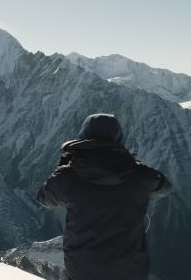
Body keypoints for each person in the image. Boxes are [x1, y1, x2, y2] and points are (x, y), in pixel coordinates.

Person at [37, 113, 171, 280]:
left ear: (82, 138)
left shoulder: (67, 176)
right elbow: (165, 187)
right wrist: (136, 167)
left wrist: (62, 167)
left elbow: (44, 198)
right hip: (130, 271)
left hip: (82, 271)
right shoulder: (140, 176)